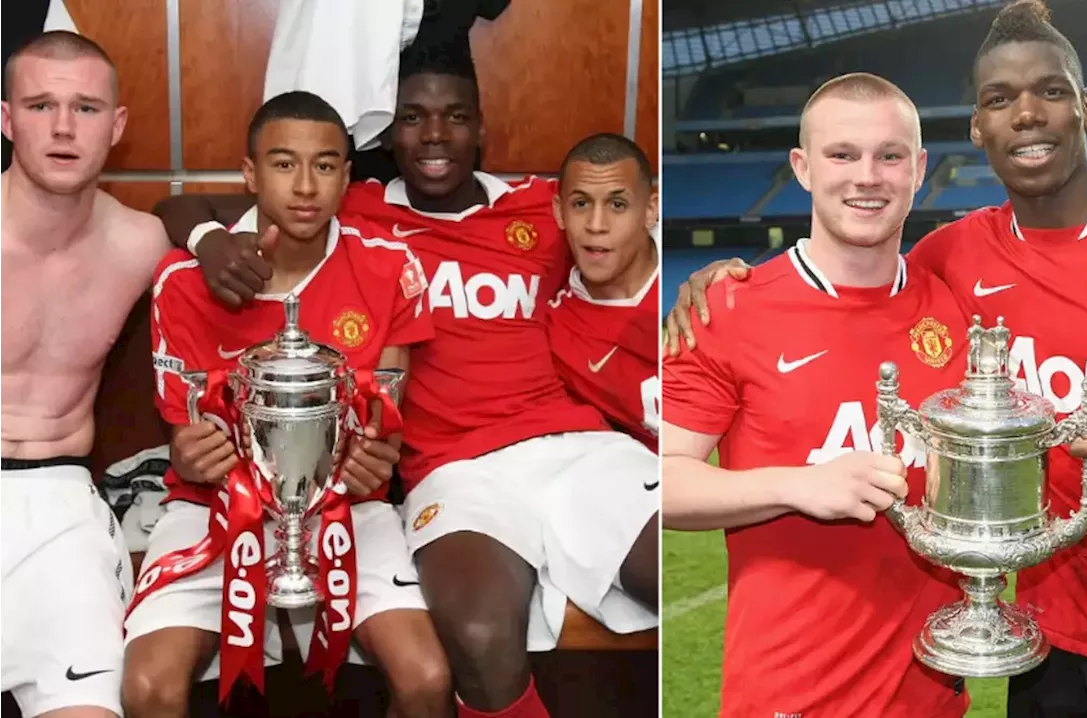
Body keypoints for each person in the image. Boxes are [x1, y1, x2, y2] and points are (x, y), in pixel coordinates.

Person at [668, 2, 1087, 716]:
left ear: (1086, 106)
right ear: (977, 128)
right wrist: (720, 280)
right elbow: (848, 287)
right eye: (1000, 99)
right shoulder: (952, 263)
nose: (1026, 114)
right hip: (1046, 635)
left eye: (1051, 91)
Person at [151, 50, 659, 718]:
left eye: (455, 117)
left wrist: (717, 272)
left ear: (482, 129)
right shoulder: (349, 207)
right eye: (413, 118)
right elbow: (180, 203)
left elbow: (638, 215)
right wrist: (211, 241)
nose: (435, 136)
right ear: (387, 136)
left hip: (572, 446)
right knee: (476, 636)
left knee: (669, 571)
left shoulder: (545, 205)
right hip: (451, 470)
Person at [123, 91, 452, 718]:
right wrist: (189, 455)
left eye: (326, 166)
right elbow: (185, 436)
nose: (305, 186)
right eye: (283, 164)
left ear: (347, 176)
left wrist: (374, 458)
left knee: (427, 679)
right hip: (216, 508)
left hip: (346, 511)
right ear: (249, 173)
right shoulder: (185, 280)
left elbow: (384, 416)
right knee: (148, 687)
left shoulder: (388, 268)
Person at [663, 72, 970, 718]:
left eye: (889, 156)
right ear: (802, 168)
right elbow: (657, 483)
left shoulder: (955, 307)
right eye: (842, 155)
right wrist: (798, 485)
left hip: (932, 696)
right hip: (790, 695)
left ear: (919, 169)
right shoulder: (729, 308)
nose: (867, 176)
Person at [0, 30, 171, 718]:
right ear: (7, 119)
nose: (64, 128)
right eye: (41, 106)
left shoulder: (141, 243)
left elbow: (218, 226)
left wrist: (212, 236)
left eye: (87, 109)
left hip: (61, 506)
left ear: (117, 125)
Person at [546, 132, 660, 453]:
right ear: (559, 211)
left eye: (617, 204)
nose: (596, 224)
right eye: (580, 204)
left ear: (651, 210)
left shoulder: (699, 292)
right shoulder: (554, 330)